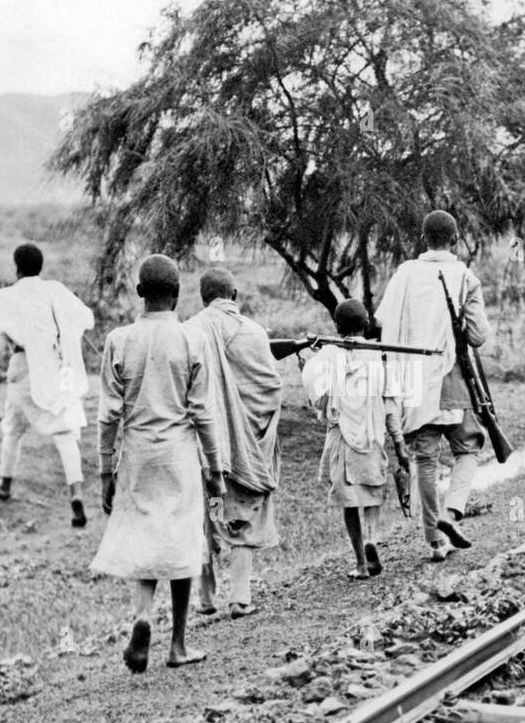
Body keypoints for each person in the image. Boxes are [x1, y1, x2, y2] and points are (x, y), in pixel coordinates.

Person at [89, 255, 225, 670]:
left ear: (139, 293)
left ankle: (144, 616)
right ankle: (179, 645)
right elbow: (202, 411)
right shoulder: (191, 340)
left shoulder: (118, 340)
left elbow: (109, 415)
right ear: (178, 293)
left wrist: (104, 470)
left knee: (147, 538)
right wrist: (215, 469)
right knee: (182, 543)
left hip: (137, 455)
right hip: (179, 455)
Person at [376, 209, 491, 561]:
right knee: (469, 448)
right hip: (451, 377)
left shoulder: (404, 274)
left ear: (423, 239)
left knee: (424, 459)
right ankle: (452, 512)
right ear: (455, 239)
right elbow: (478, 335)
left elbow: (382, 320)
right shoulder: (464, 277)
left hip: (411, 380)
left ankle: (435, 542)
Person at [185, 268, 282, 619]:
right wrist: (248, 431)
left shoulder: (189, 332)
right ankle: (240, 598)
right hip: (244, 445)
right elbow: (270, 389)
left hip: (201, 443)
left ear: (202, 297)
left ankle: (205, 599)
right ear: (235, 295)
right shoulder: (254, 332)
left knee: (205, 518)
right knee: (242, 516)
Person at [0, 243, 95, 527]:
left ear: (17, 267)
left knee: (13, 428)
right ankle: (76, 493)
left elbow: (0, 337)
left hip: (22, 370)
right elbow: (86, 318)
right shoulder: (55, 290)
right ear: (40, 267)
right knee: (66, 432)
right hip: (56, 369)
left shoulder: (9, 296)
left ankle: (5, 483)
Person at [302, 299, 409, 579]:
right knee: (373, 492)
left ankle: (361, 562)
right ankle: (372, 536)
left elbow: (317, 395)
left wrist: (310, 358)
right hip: (373, 435)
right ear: (365, 325)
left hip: (341, 439)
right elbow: (390, 407)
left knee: (349, 500)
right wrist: (398, 442)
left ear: (337, 327)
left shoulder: (327, 356)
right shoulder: (377, 358)